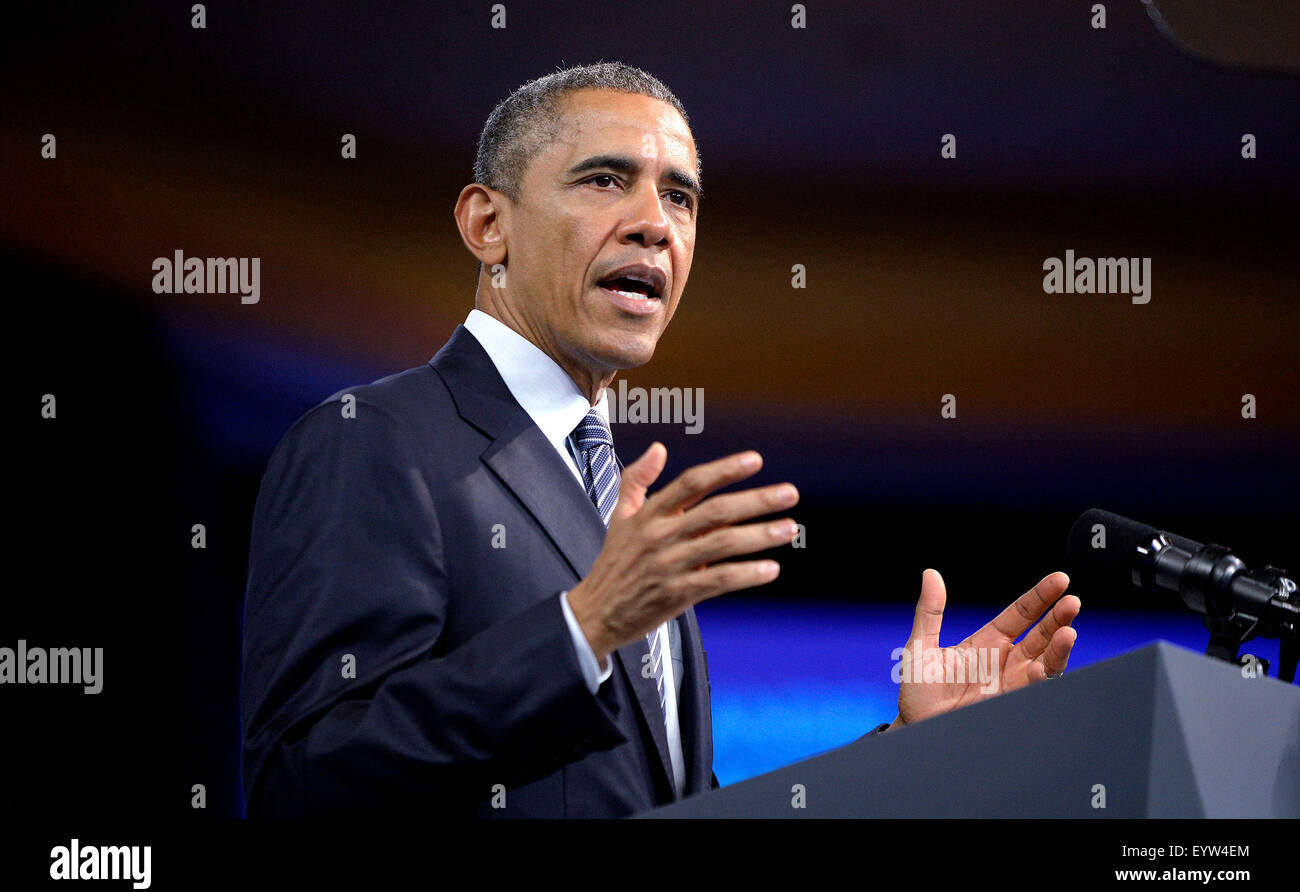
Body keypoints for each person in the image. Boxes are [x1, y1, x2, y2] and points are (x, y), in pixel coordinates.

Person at [240, 62, 1080, 818]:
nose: (655, 224)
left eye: (679, 196)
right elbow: (300, 781)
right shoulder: (374, 442)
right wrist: (581, 629)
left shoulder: (614, 497)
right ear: (487, 224)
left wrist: (910, 748)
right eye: (606, 180)